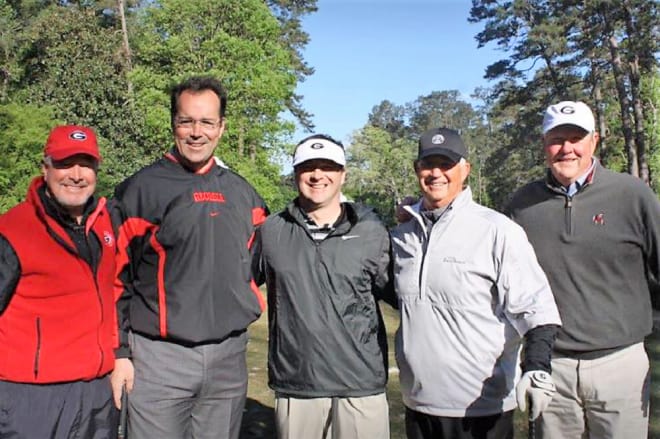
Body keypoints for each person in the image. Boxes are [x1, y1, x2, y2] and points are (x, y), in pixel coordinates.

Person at [110, 76, 268, 439]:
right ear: (173, 124)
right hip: (159, 360)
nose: (197, 132)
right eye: (187, 121)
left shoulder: (244, 194)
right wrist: (119, 352)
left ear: (222, 127)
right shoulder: (139, 190)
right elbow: (115, 279)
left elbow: (257, 264)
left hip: (228, 358)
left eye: (207, 122)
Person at [390, 127, 562, 439]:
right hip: (417, 403)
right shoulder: (401, 237)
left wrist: (537, 366)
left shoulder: (497, 230)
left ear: (465, 169)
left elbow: (536, 308)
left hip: (483, 410)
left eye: (447, 164)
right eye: (428, 165)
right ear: (417, 170)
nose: (436, 173)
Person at [506, 100, 660, 438]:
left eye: (576, 138)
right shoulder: (521, 205)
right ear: (543, 145)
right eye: (556, 139)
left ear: (594, 141)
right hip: (550, 367)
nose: (566, 149)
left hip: (620, 364)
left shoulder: (632, 195)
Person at [252, 134, 395, 439]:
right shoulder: (272, 231)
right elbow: (235, 286)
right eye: (308, 167)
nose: (318, 175)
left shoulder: (372, 230)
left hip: (360, 382)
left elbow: (405, 295)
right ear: (295, 176)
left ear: (343, 174)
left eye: (327, 166)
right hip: (297, 382)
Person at [0, 125, 118, 437]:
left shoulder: (106, 227)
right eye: (65, 163)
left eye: (86, 164)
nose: (76, 175)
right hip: (31, 398)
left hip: (97, 394)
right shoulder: (12, 230)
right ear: (46, 168)